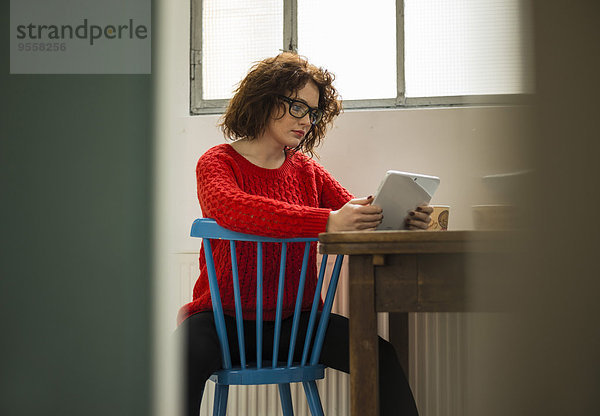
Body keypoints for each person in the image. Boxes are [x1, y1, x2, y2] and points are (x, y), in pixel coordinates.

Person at [176, 51, 432, 416]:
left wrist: (401, 217)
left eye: (312, 113)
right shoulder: (218, 162)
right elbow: (232, 208)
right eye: (298, 107)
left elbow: (353, 214)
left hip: (298, 324)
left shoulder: (307, 170)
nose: (306, 121)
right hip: (223, 324)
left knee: (381, 356)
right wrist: (326, 221)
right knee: (179, 358)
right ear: (264, 100)